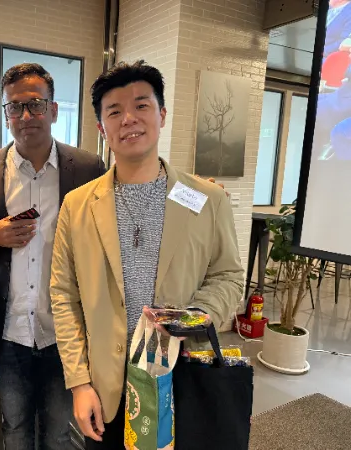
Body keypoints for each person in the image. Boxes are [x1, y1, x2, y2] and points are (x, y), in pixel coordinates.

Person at [49, 61, 244, 449]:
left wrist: (189, 319)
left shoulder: (207, 199)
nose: (129, 119)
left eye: (141, 106)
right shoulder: (77, 205)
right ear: (102, 128)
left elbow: (228, 276)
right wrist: (79, 382)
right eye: (114, 111)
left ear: (162, 115)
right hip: (106, 386)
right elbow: (64, 296)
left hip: (181, 376)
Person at [0, 63, 106, 449]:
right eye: (15, 107)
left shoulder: (88, 168)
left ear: (53, 110)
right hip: (8, 328)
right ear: (5, 114)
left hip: (66, 331)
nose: (26, 116)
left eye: (36, 105)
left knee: (59, 430)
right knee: (14, 428)